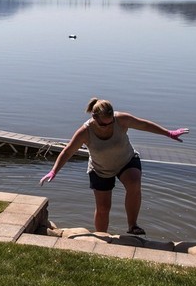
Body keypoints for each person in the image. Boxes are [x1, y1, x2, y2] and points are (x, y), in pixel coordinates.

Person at [40, 97, 188, 235]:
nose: (107, 126)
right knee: (103, 207)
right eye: (104, 124)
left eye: (110, 122)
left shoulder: (121, 119)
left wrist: (168, 133)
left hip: (126, 161)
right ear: (94, 117)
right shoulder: (85, 132)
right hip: (100, 169)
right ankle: (101, 236)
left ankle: (132, 226)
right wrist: (54, 171)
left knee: (134, 183)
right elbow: (68, 151)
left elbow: (143, 124)